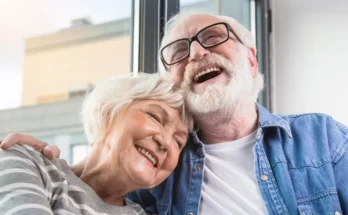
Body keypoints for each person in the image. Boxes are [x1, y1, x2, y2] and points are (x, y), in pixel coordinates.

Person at [1, 12, 348, 215]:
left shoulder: (322, 137)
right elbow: (96, 178)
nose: (197, 52)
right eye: (179, 51)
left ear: (252, 60)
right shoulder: (154, 180)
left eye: (213, 37)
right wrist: (32, 159)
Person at [0, 74, 192, 215]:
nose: (166, 141)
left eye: (178, 141)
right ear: (108, 112)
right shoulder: (25, 161)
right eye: (155, 117)